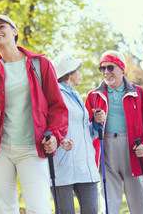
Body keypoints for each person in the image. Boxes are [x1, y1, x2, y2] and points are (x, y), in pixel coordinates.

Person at [0, 15, 68, 213]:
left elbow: (57, 107)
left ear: (14, 31)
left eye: (1, 27)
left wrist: (54, 135)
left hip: (32, 147)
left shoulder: (40, 64)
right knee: (5, 210)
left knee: (39, 208)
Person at [85, 50, 143, 214]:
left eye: (110, 67)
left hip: (134, 150)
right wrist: (95, 121)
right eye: (102, 68)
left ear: (121, 69)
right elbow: (85, 128)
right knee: (108, 204)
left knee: (141, 203)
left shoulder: (139, 93)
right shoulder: (93, 96)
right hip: (106, 151)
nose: (106, 72)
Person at [51, 54, 105, 214]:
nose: (79, 73)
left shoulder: (76, 95)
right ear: (69, 72)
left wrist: (95, 122)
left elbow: (84, 132)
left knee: (91, 211)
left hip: (84, 165)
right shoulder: (54, 95)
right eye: (77, 70)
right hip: (62, 164)